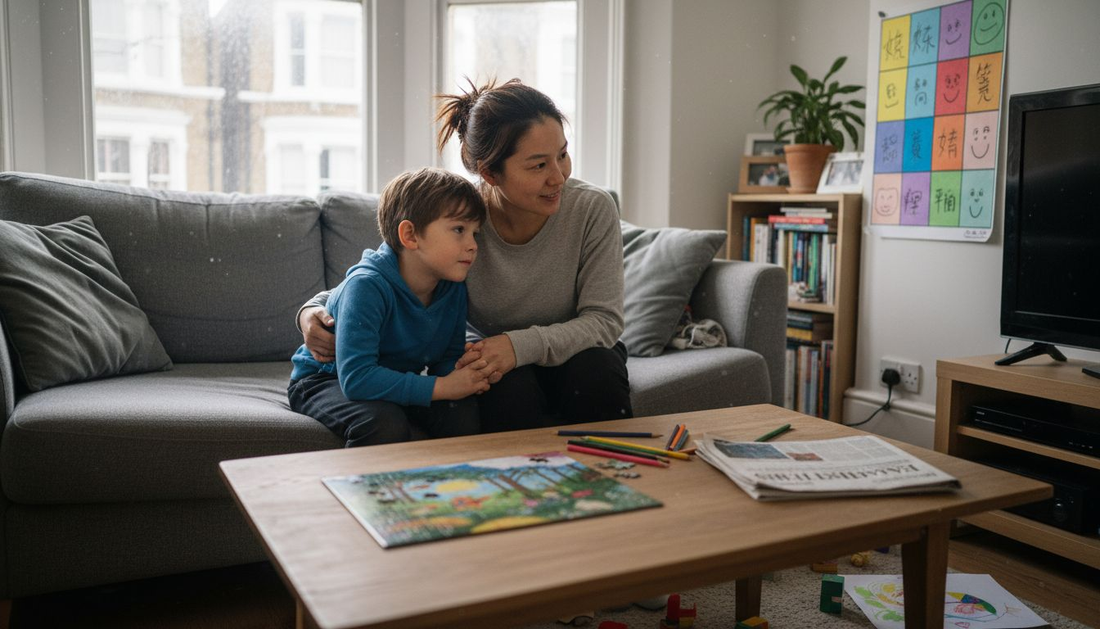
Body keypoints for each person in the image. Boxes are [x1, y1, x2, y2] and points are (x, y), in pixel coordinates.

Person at [298, 79, 632, 433]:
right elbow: (390, 271)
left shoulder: (591, 208)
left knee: (596, 372)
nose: (559, 177)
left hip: (576, 352)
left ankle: (613, 468)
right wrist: (309, 312)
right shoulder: (461, 218)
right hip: (491, 356)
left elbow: (604, 321)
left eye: (562, 155)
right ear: (489, 173)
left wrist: (518, 346)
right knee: (503, 391)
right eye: (538, 166)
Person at [288, 167, 491, 447]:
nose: (473, 245)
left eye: (474, 233)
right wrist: (442, 387)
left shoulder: (452, 287)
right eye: (459, 230)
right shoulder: (366, 286)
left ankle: (451, 478)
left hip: (390, 378)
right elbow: (357, 378)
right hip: (325, 380)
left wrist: (466, 378)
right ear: (410, 235)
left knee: (461, 412)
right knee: (384, 422)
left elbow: (447, 357)